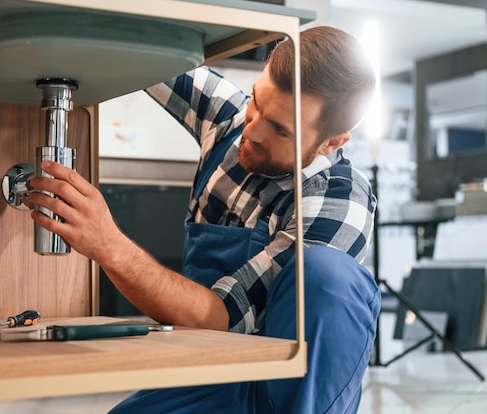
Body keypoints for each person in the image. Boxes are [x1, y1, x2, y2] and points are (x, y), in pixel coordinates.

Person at [27, 25, 381, 414]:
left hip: (282, 390)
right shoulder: (230, 121)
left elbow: (222, 316)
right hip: (211, 373)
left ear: (332, 142)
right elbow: (151, 54)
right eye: (258, 102)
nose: (253, 130)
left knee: (329, 274)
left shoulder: (338, 198)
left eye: (280, 129)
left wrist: (108, 245)